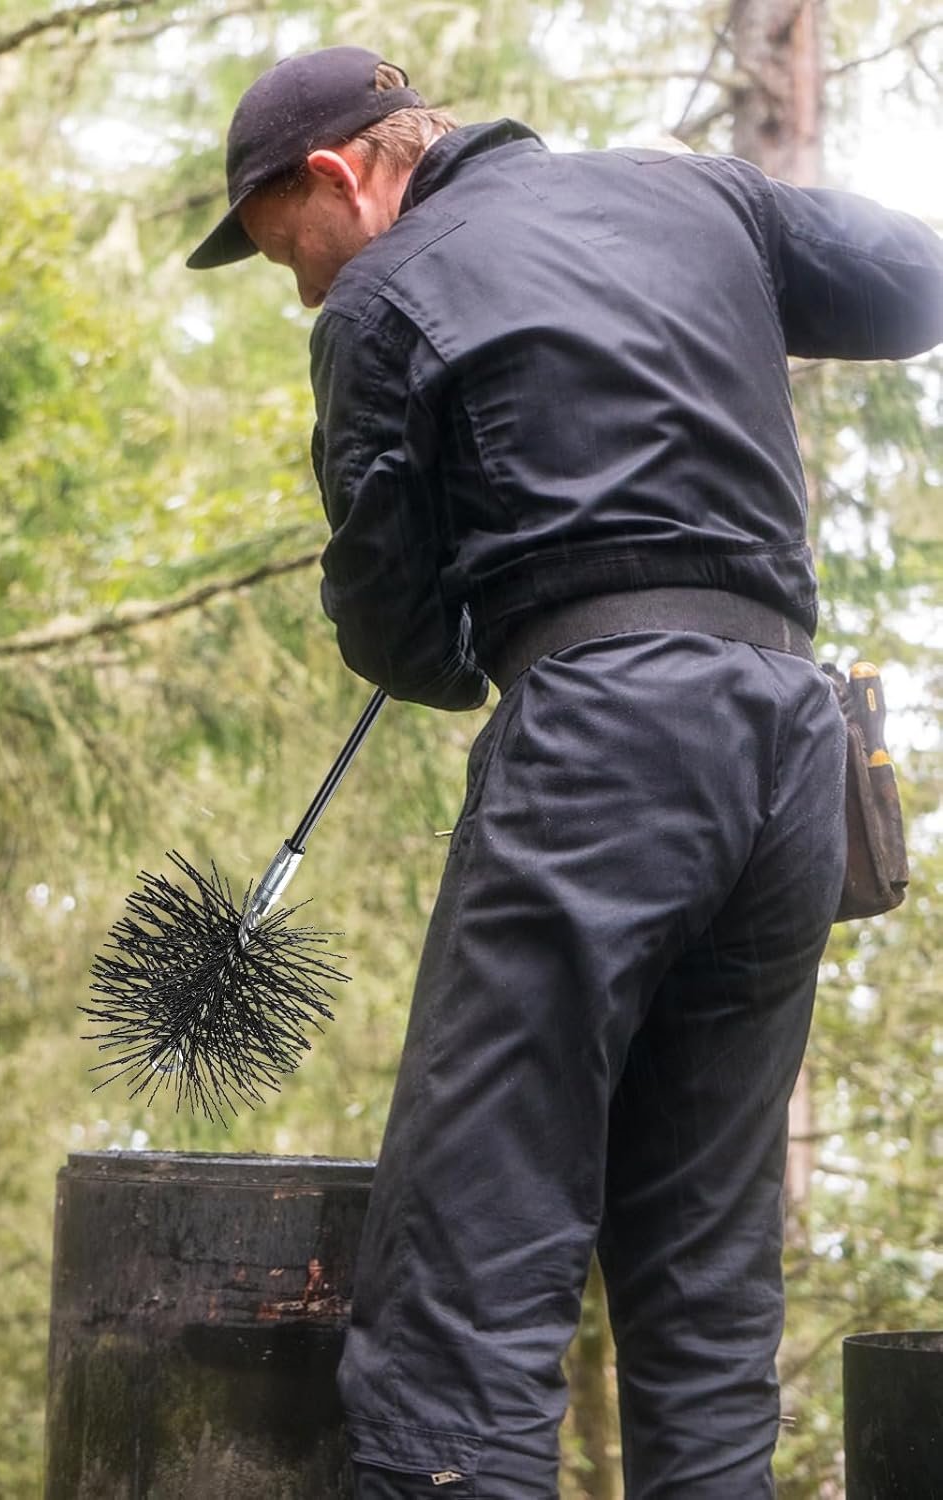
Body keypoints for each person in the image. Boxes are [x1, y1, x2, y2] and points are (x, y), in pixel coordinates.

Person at [188, 45, 943, 1499]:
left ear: (344, 176)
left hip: (604, 746)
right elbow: (914, 279)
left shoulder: (383, 301)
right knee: (705, 1265)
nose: (305, 289)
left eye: (295, 252)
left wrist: (469, 631)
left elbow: (398, 632)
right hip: (795, 751)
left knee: (470, 1253)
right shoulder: (698, 196)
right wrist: (712, 253)